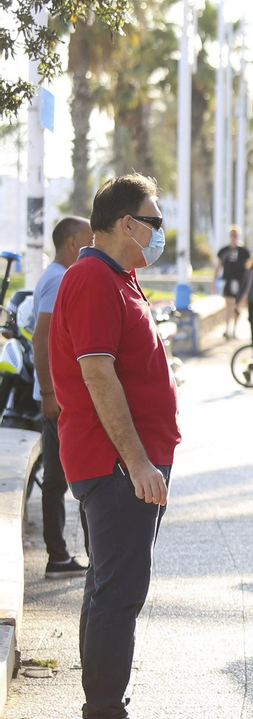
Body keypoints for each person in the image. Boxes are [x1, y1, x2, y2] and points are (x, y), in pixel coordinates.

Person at [51, 173, 181, 719]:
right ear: (126, 223)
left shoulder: (119, 279)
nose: (159, 232)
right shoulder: (92, 279)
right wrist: (137, 462)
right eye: (153, 221)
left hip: (127, 461)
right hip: (115, 464)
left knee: (108, 587)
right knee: (119, 592)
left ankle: (109, 712)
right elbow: (97, 375)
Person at [29, 216, 91, 578]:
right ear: (71, 243)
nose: (93, 244)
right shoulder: (59, 279)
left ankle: (64, 554)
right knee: (60, 478)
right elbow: (41, 339)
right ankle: (59, 556)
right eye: (88, 239)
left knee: (60, 477)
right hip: (59, 399)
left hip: (59, 395)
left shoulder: (55, 276)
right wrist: (49, 392)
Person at [216, 226, 250, 340]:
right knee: (228, 304)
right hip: (228, 280)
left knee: (237, 306)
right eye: (232, 235)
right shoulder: (224, 251)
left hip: (240, 282)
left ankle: (235, 329)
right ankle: (227, 328)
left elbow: (248, 267)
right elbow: (218, 266)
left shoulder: (244, 252)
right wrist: (214, 281)